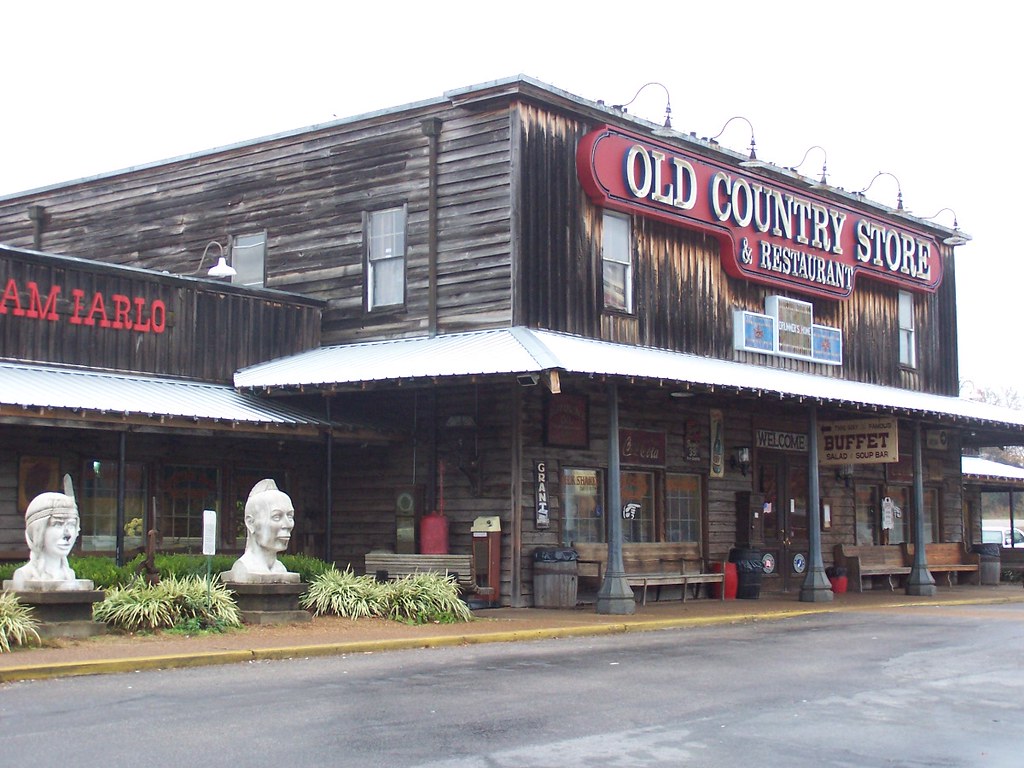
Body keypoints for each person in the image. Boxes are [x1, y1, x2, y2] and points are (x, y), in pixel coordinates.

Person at [9, 476, 84, 590]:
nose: (67, 535)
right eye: (58, 524)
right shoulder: (23, 575)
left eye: (71, 524)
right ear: (38, 530)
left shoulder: (69, 575)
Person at [227, 479, 296, 582]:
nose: (287, 525)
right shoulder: (244, 567)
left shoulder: (280, 568)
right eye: (276, 516)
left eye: (290, 516)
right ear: (250, 523)